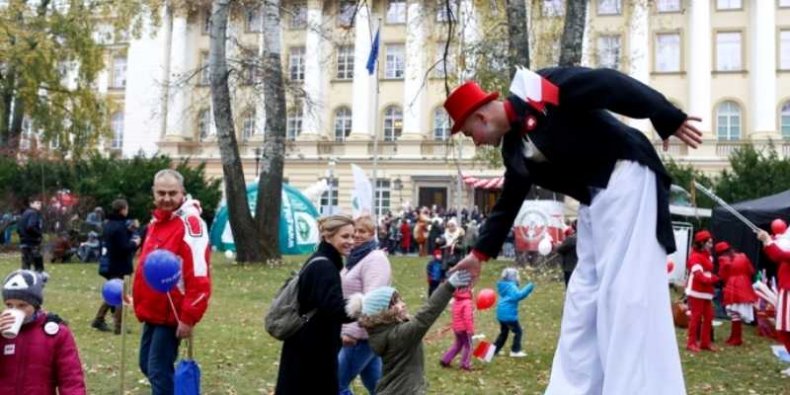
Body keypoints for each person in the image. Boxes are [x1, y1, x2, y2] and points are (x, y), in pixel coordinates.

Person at [444, 66, 701, 394]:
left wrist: (665, 115)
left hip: (627, 174)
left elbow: (607, 84)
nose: (476, 143)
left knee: (623, 292)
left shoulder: (540, 88)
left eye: (469, 134)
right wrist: (479, 254)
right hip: (594, 198)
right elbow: (508, 202)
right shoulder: (512, 150)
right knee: (583, 297)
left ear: (481, 117)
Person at [133, 169, 212, 394]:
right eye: (161, 193)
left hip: (173, 313)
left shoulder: (191, 225)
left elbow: (199, 274)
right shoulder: (157, 221)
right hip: (153, 310)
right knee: (147, 365)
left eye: (172, 193)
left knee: (158, 370)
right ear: (153, 193)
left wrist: (189, 316)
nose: (166, 198)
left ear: (182, 193)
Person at [345, 270, 472, 394]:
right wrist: (448, 287)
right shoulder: (399, 336)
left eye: (400, 299)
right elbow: (425, 316)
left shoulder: (383, 332)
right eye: (395, 303)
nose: (403, 304)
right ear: (382, 313)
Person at [276, 215, 355, 394]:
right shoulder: (325, 267)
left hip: (308, 345)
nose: (350, 241)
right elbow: (335, 309)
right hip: (313, 351)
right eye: (345, 236)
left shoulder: (322, 261)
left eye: (352, 236)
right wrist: (362, 305)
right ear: (328, 236)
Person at [0, 269, 86, 394]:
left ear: (35, 305)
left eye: (22, 305)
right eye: (9, 305)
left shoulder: (56, 333)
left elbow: (71, 379)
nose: (14, 310)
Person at [338, 215, 392, 395]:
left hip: (361, 335)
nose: (357, 235)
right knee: (378, 387)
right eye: (355, 231)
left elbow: (373, 298)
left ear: (372, 234)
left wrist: (353, 331)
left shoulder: (375, 258)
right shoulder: (355, 259)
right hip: (364, 334)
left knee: (335, 384)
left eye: (362, 231)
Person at [92, 199, 141, 334]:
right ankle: (119, 325)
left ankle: (99, 319)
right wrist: (135, 243)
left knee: (113, 293)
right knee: (121, 294)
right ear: (123, 209)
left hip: (110, 263)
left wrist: (130, 232)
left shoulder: (108, 224)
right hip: (121, 264)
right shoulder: (119, 226)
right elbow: (124, 247)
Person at [757, 227, 790, 376]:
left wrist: (767, 240)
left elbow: (779, 255)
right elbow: (776, 252)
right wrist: (768, 241)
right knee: (783, 329)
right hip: (786, 290)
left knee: (785, 329)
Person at [715, 241, 757, 346]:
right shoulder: (743, 256)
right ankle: (735, 337)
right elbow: (751, 271)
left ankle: (736, 338)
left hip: (733, 284)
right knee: (736, 312)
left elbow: (722, 275)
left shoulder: (723, 259)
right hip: (745, 283)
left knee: (734, 312)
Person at [685, 230, 719, 353]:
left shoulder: (708, 256)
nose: (711, 244)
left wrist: (712, 279)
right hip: (696, 290)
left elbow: (707, 273)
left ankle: (705, 342)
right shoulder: (694, 256)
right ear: (702, 243)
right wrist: (713, 279)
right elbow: (699, 275)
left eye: (711, 242)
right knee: (696, 317)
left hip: (706, 291)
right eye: (709, 242)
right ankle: (691, 343)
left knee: (709, 316)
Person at [494, 267, 534, 357]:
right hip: (508, 316)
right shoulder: (511, 286)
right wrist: (529, 287)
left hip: (501, 314)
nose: (518, 277)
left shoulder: (504, 285)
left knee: (503, 333)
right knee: (518, 332)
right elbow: (518, 296)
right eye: (517, 276)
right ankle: (515, 351)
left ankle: (493, 351)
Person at [439, 286, 474, 370]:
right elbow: (467, 317)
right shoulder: (467, 302)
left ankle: (445, 360)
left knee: (458, 345)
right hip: (464, 329)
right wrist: (470, 329)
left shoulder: (456, 300)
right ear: (468, 291)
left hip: (456, 328)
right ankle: (465, 364)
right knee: (468, 346)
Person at [18, 199, 44, 272]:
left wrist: (22, 236)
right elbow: (30, 227)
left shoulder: (24, 213)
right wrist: (39, 234)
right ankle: (39, 278)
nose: (40, 205)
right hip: (32, 242)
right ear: (31, 204)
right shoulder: (33, 213)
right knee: (38, 263)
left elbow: (19, 228)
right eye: (37, 203)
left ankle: (25, 279)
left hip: (23, 241)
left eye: (40, 203)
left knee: (26, 264)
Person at [556, 223, 578, 288]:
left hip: (570, 267)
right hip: (578, 266)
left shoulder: (571, 239)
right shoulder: (582, 237)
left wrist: (558, 245)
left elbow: (560, 249)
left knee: (569, 287)